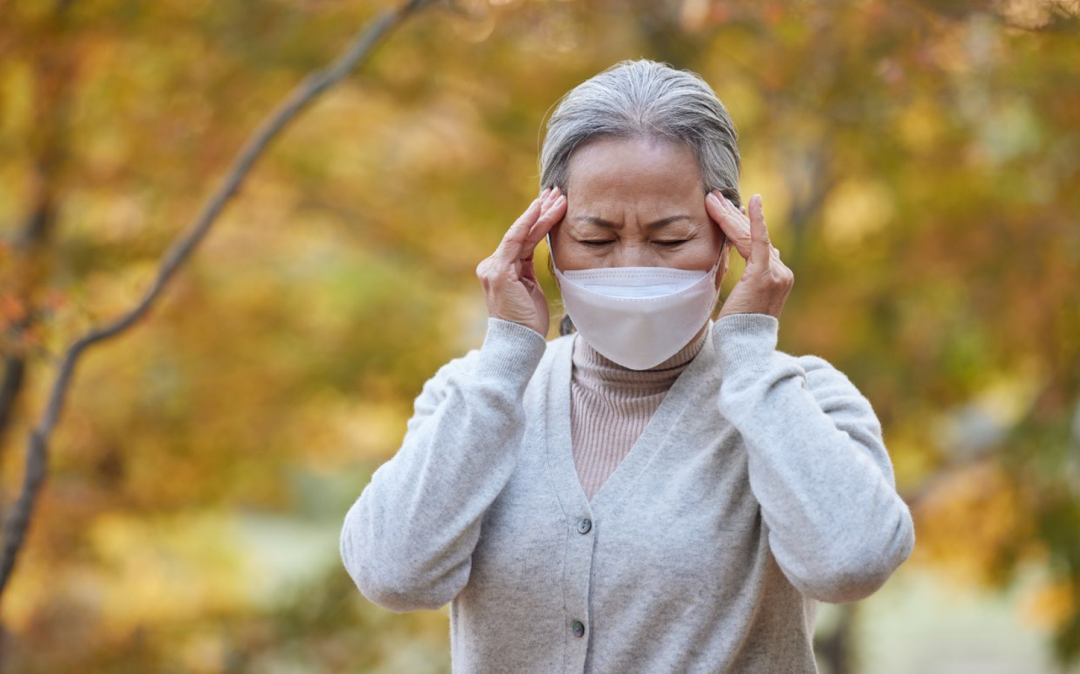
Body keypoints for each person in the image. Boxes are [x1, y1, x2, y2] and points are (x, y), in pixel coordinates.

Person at [340, 58, 915, 673]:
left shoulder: (801, 400)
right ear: (548, 237)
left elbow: (851, 562)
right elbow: (392, 574)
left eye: (670, 240)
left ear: (727, 239)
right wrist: (507, 354)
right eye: (595, 239)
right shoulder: (474, 394)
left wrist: (749, 348)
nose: (630, 267)